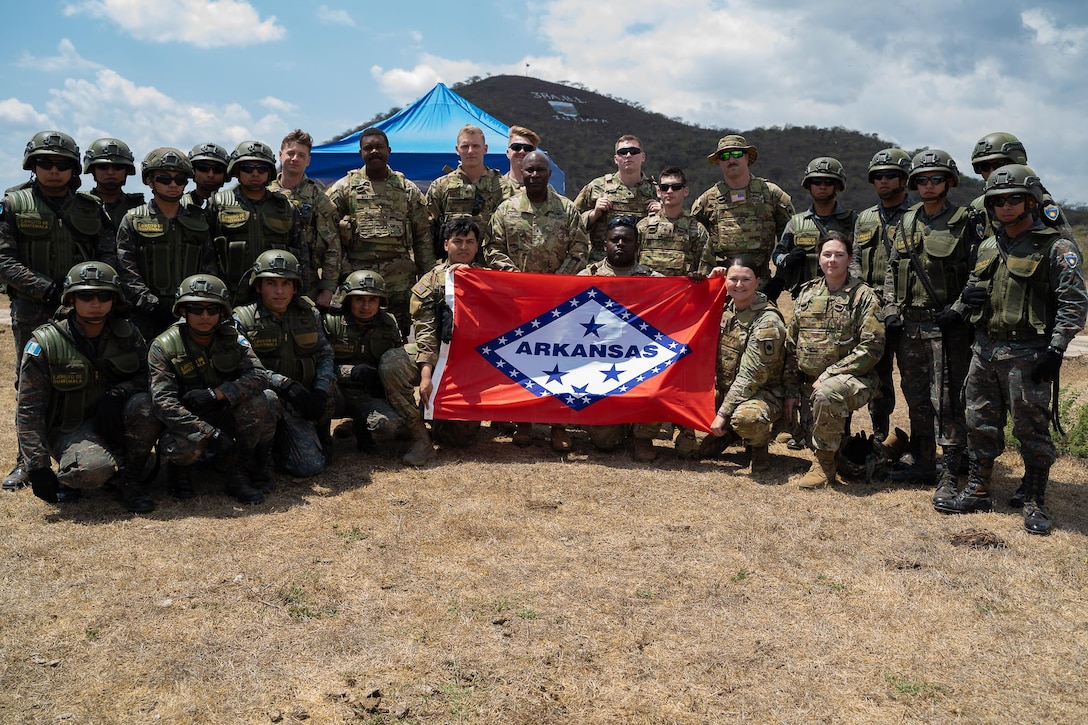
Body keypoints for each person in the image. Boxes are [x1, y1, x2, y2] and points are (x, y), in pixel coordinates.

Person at [934, 165, 1088, 535]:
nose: (1005, 206)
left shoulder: (1056, 246)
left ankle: (1034, 499)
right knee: (980, 424)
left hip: (1029, 352)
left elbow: (1074, 303)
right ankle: (979, 489)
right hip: (985, 348)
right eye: (998, 200)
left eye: (1013, 198)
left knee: (1032, 430)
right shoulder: (988, 245)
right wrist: (959, 308)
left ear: (1031, 201)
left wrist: (1056, 350)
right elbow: (974, 288)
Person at [1, 131, 114, 491]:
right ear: (32, 164)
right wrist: (47, 290)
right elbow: (4, 259)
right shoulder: (13, 204)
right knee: (29, 383)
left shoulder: (90, 207)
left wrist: (91, 292)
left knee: (90, 376)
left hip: (86, 308)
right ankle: (27, 460)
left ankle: (91, 448)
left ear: (73, 168)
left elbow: (108, 255)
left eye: (62, 164)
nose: (54, 170)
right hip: (34, 308)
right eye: (45, 163)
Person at [18, 262, 160, 513]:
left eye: (104, 296)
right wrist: (38, 466)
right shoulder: (45, 343)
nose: (96, 303)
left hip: (112, 421)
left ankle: (130, 480)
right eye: (86, 295)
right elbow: (29, 410)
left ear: (114, 300)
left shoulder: (127, 334)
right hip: (66, 428)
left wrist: (117, 394)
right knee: (92, 471)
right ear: (71, 298)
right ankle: (81, 467)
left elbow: (147, 376)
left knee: (147, 406)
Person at [882, 150, 980, 497]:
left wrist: (957, 311)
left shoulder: (965, 220)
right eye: (921, 180)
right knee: (917, 397)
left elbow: (977, 273)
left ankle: (953, 468)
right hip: (909, 328)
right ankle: (923, 462)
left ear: (949, 182)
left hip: (947, 328)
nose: (928, 185)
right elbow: (892, 270)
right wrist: (891, 309)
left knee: (949, 400)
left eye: (935, 179)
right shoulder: (906, 222)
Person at [487, 150, 589, 451]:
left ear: (549, 173)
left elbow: (581, 249)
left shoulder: (567, 210)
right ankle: (524, 422)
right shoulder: (506, 210)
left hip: (558, 300)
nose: (533, 175)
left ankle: (559, 424)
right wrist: (517, 279)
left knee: (559, 360)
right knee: (524, 360)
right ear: (521, 169)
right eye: (528, 169)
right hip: (518, 300)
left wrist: (555, 282)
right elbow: (492, 248)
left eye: (540, 170)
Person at [148, 273, 279, 504]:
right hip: (186, 422)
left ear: (222, 312)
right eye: (196, 310)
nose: (205, 316)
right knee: (183, 448)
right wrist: (211, 433)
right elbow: (163, 403)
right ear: (183, 311)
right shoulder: (163, 346)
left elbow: (258, 375)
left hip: (223, 410)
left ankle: (238, 471)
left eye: (212, 310)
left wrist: (216, 394)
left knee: (263, 400)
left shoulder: (233, 338)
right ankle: (179, 470)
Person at [785, 232, 885, 489]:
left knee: (826, 396)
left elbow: (872, 347)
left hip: (852, 380)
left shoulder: (864, 296)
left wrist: (830, 374)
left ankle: (823, 466)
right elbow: (791, 344)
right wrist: (790, 388)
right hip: (809, 384)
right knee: (816, 434)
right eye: (827, 254)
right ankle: (867, 451)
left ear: (850, 258)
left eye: (839, 255)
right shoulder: (807, 294)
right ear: (819, 258)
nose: (832, 260)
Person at [233, 250, 334, 478]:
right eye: (271, 283)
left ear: (295, 287)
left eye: (286, 283)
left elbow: (325, 354)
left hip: (301, 401)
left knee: (309, 467)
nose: (279, 291)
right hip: (269, 400)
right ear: (258, 286)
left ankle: (319, 437)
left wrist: (318, 391)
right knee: (267, 399)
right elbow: (245, 366)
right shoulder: (242, 319)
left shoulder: (310, 314)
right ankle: (262, 460)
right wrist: (283, 383)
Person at [325, 128, 434, 334]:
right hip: (356, 282)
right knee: (355, 338)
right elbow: (329, 238)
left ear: (389, 150)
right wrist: (337, 277)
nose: (374, 151)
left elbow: (423, 239)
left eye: (379, 147)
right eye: (368, 148)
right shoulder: (344, 189)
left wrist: (428, 282)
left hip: (399, 285)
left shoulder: (407, 190)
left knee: (396, 337)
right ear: (360, 153)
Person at [324, 270, 435, 466]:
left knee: (389, 426)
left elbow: (393, 364)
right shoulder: (330, 323)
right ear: (348, 299)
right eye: (359, 300)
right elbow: (319, 364)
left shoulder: (388, 323)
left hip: (368, 395)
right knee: (321, 398)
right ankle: (322, 439)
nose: (366, 306)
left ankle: (360, 426)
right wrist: (349, 371)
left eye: (372, 300)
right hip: (338, 392)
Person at [577, 216, 662, 461]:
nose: (621, 244)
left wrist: (701, 283)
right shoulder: (586, 277)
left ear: (637, 245)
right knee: (605, 443)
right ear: (605, 244)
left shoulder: (654, 280)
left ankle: (642, 435)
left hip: (641, 360)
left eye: (627, 240)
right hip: (599, 361)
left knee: (660, 384)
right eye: (615, 239)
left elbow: (681, 301)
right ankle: (614, 426)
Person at [115, 147, 218, 340]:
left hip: (191, 312)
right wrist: (152, 306)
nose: (173, 185)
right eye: (164, 179)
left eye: (179, 180)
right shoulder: (132, 219)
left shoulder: (198, 220)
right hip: (144, 316)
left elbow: (209, 267)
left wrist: (197, 304)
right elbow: (126, 271)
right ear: (149, 180)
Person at [703, 257, 788, 472]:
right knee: (689, 448)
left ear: (757, 281)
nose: (739, 285)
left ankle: (758, 448)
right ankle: (729, 435)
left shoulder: (767, 321)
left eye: (746, 279)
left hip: (761, 393)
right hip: (725, 391)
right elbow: (688, 311)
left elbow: (752, 376)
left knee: (746, 419)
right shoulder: (724, 309)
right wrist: (709, 284)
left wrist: (722, 413)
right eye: (733, 279)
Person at [852, 148, 913, 441]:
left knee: (915, 379)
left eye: (890, 175)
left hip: (908, 309)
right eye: (878, 176)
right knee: (878, 374)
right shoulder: (864, 217)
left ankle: (923, 444)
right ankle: (880, 435)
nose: (883, 181)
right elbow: (854, 259)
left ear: (904, 178)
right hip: (870, 308)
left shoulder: (916, 216)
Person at [209, 141, 309, 299]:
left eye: (261, 169)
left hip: (276, 294)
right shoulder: (218, 204)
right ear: (236, 170)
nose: (255, 174)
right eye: (248, 169)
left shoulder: (285, 207)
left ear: (269, 172)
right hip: (230, 292)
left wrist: (301, 293)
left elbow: (301, 253)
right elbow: (208, 253)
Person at [692, 135, 794, 279]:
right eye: (725, 156)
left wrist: (780, 280)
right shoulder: (707, 200)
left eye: (737, 154)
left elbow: (789, 238)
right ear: (719, 162)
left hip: (760, 281)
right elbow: (694, 241)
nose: (731, 160)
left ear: (747, 157)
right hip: (720, 281)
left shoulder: (771, 194)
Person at [268, 129, 340, 310]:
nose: (294, 159)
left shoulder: (319, 200)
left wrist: (328, 289)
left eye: (301, 155)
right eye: (290, 153)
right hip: (266, 279)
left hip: (306, 282)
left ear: (308, 161)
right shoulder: (265, 193)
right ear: (280, 155)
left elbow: (333, 247)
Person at [770, 157, 857, 299]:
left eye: (828, 182)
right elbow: (777, 255)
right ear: (809, 185)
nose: (822, 186)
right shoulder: (796, 223)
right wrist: (787, 259)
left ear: (837, 186)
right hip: (805, 296)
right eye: (817, 182)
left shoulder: (851, 221)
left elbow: (858, 258)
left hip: (844, 295)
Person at [426, 124, 511, 259]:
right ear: (457, 149)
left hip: (491, 266)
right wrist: (430, 266)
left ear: (485, 149)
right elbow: (427, 231)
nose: (470, 151)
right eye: (465, 146)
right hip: (452, 268)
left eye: (476, 146)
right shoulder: (441, 186)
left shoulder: (503, 187)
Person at [969, 131, 1074, 239]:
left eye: (999, 164)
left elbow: (1064, 244)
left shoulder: (1037, 201)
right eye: (984, 166)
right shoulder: (978, 206)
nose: (991, 171)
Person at [574, 135, 660, 262]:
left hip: (642, 265)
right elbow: (572, 224)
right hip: (601, 264)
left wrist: (662, 215)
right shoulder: (597, 187)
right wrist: (594, 214)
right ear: (616, 158)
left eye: (634, 151)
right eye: (623, 152)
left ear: (643, 157)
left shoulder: (658, 192)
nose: (628, 155)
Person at [636, 166, 714, 276]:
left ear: (685, 191)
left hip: (682, 292)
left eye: (676, 187)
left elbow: (704, 272)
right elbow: (632, 267)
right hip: (647, 291)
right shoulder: (643, 227)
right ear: (658, 192)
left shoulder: (696, 230)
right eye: (664, 187)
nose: (669, 191)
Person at [83, 137, 144, 235]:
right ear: (92, 170)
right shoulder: (78, 204)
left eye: (118, 167)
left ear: (126, 171)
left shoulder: (139, 208)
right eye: (103, 167)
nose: (110, 172)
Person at [183, 142, 229, 209]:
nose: (211, 175)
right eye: (203, 168)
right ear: (193, 171)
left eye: (218, 169)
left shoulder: (233, 206)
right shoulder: (178, 205)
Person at [503, 126, 540, 190]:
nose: (522, 151)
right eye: (516, 147)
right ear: (508, 153)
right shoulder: (495, 188)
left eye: (528, 148)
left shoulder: (543, 189)